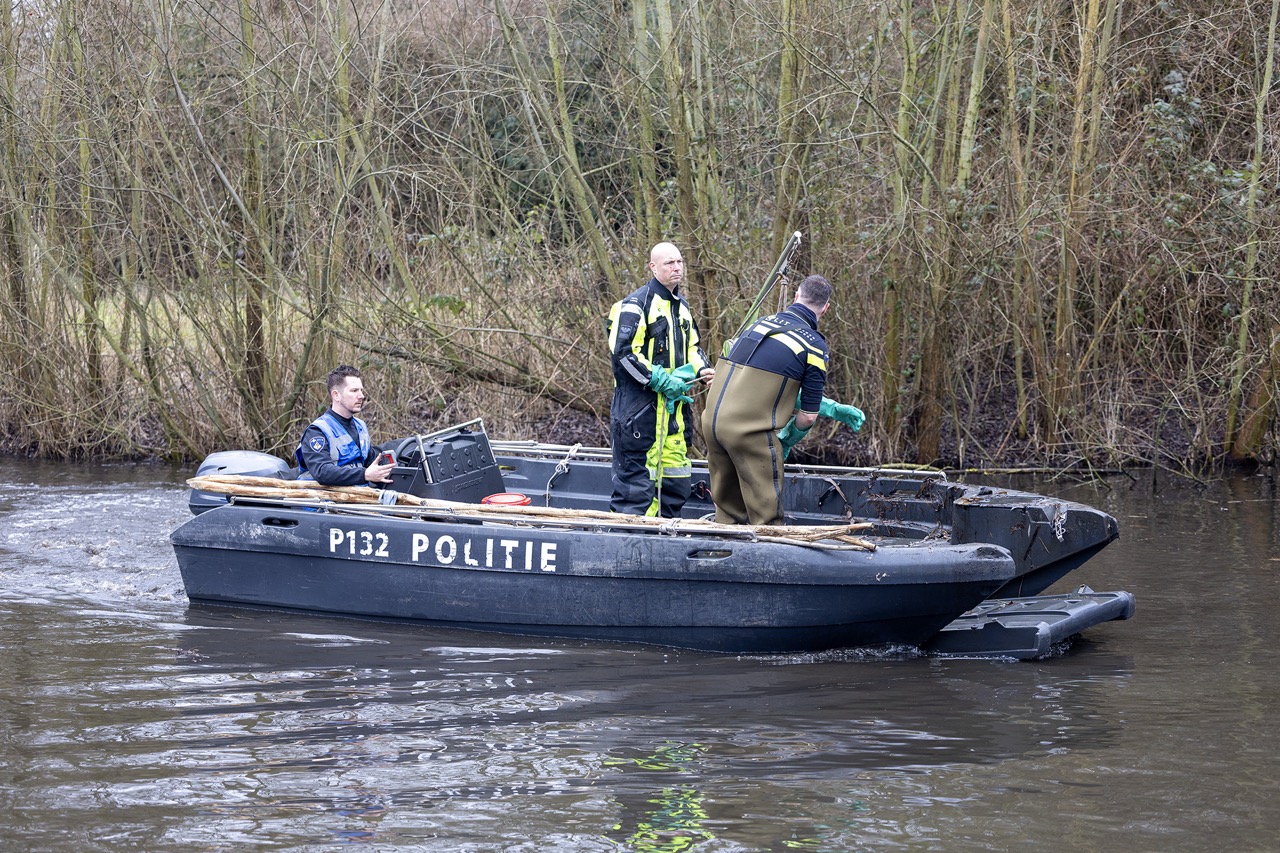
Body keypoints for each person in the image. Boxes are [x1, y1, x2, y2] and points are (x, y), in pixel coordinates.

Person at [701, 274, 863, 525]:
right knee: (766, 520)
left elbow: (757, 385)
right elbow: (808, 415)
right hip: (748, 434)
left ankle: (720, 552)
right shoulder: (814, 346)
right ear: (826, 308)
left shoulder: (759, 325)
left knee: (728, 513)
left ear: (796, 296)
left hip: (711, 424)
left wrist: (831, 408)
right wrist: (787, 439)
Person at [607, 242, 714, 517]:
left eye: (679, 262)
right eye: (669, 263)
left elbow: (694, 347)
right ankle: (632, 546)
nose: (677, 267)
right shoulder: (634, 305)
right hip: (638, 411)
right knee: (636, 489)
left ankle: (667, 540)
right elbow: (623, 353)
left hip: (674, 413)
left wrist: (702, 370)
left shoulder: (682, 308)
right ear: (653, 267)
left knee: (676, 482)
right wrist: (660, 380)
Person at [295, 364, 395, 487]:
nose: (361, 396)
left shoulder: (361, 426)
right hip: (323, 502)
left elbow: (370, 463)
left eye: (361, 390)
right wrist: (365, 475)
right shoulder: (317, 431)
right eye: (354, 391)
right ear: (336, 395)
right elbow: (322, 472)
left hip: (358, 499)